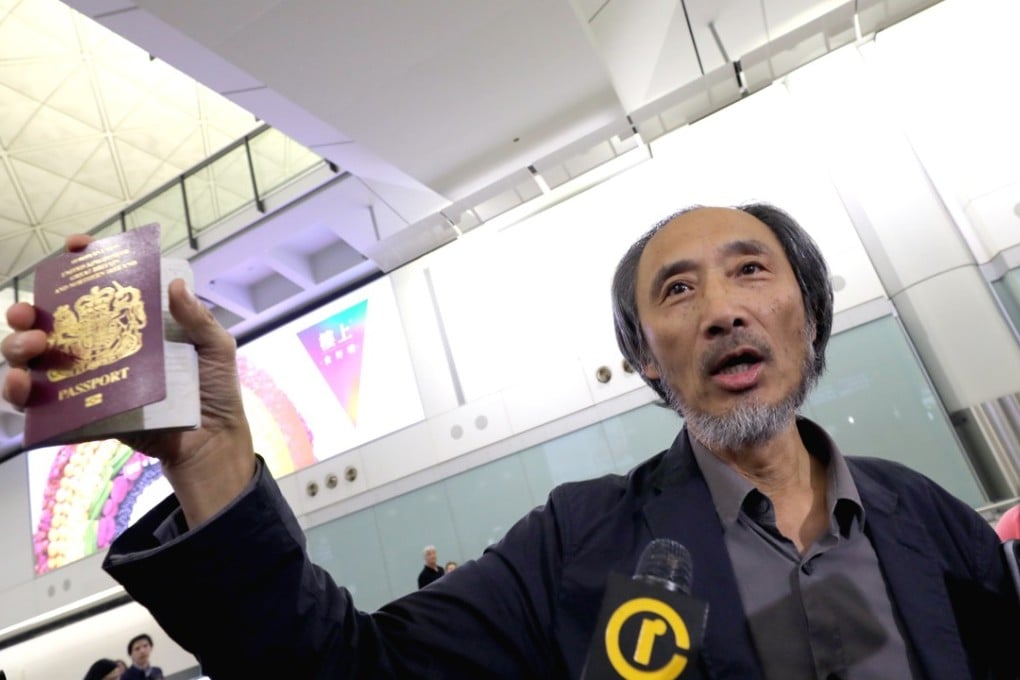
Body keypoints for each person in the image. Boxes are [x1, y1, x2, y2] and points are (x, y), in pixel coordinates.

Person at [3, 205, 1018, 678]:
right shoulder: (576, 547)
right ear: (646, 362)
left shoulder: (930, 525)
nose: (721, 310)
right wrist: (214, 459)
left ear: (808, 313)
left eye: (751, 270)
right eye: (677, 290)